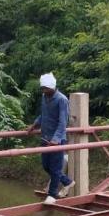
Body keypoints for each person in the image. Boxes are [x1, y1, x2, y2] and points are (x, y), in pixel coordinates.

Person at [26, 73, 75, 204]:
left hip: (57, 141)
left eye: (46, 88)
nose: (44, 91)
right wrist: (34, 125)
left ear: (53, 87)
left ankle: (52, 195)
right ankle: (68, 182)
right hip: (45, 138)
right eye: (42, 88)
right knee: (46, 166)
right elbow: (44, 115)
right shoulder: (44, 97)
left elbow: (63, 122)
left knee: (55, 169)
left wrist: (56, 139)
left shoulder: (62, 100)